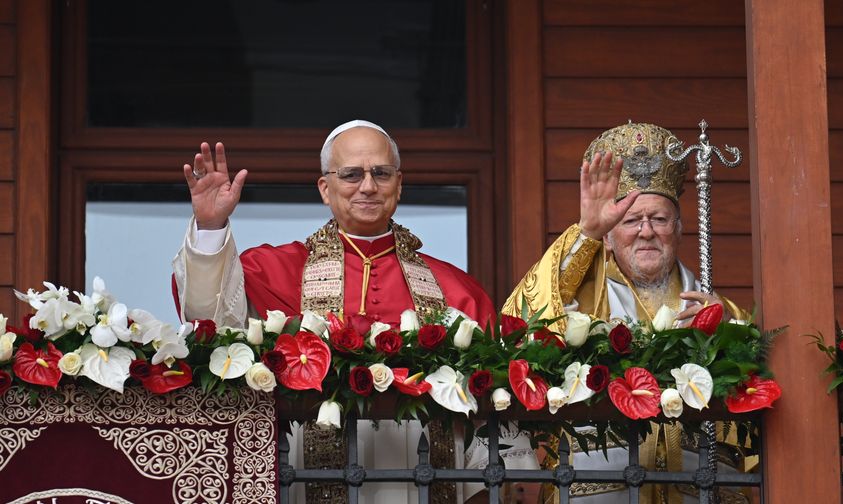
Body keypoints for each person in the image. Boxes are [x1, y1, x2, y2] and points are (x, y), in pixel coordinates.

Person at [171, 119, 532, 503]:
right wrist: (211, 226)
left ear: (399, 184)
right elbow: (211, 321)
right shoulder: (275, 270)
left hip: (423, 470)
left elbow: (490, 401)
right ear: (325, 189)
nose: (368, 186)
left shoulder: (455, 288)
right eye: (351, 174)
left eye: (381, 173)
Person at [504, 122, 748, 504]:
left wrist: (728, 329)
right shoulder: (577, 298)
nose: (646, 231)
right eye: (632, 220)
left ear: (680, 229)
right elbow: (520, 323)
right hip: (598, 490)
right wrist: (586, 232)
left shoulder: (714, 306)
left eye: (660, 219)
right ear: (610, 236)